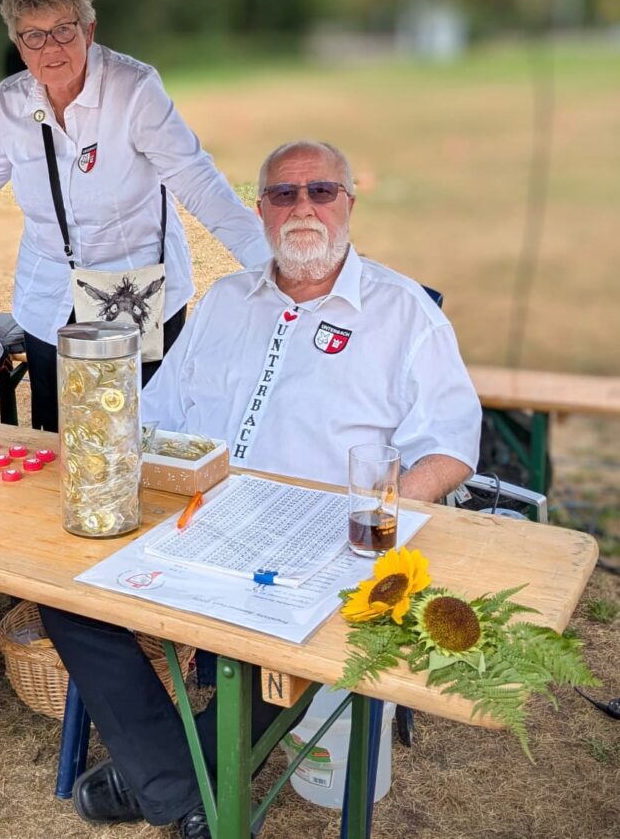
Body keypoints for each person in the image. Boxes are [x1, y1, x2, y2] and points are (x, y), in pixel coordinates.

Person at [38, 140, 482, 838]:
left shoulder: (402, 313)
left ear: (349, 202)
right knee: (67, 598)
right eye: (283, 193)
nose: (303, 206)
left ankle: (168, 786)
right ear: (261, 210)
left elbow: (451, 445)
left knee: (287, 633)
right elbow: (152, 412)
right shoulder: (224, 301)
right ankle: (185, 788)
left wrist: (380, 516)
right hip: (196, 518)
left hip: (317, 540)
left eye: (321, 191)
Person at [0, 0, 271, 431]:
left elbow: (197, 180)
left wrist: (268, 264)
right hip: (50, 299)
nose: (50, 47)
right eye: (33, 36)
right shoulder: (12, 101)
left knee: (140, 432)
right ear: (19, 44)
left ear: (89, 30)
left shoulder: (135, 90)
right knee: (58, 436)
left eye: (64, 30)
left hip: (138, 294)